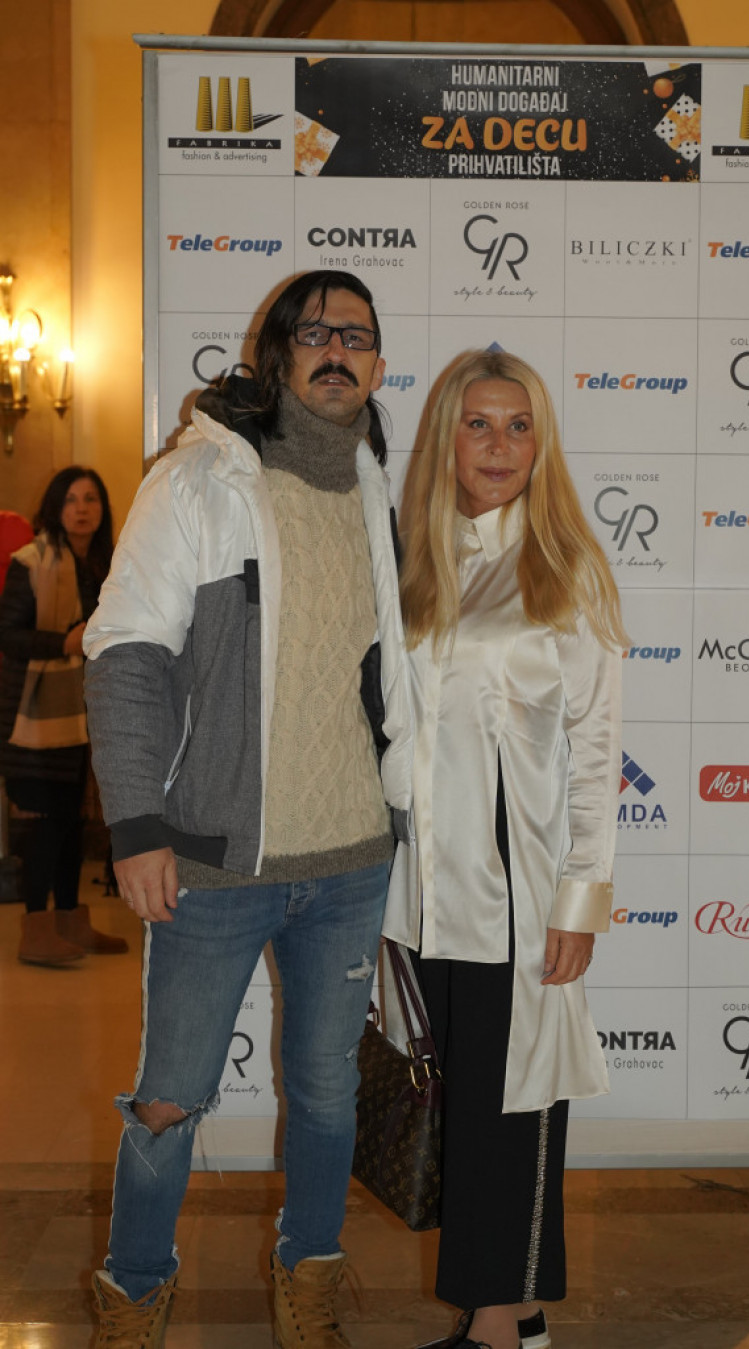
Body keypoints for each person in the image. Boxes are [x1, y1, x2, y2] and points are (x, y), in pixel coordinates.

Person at [82, 269, 413, 1348]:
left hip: (352, 859)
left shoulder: (375, 486)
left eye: (355, 335)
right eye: (313, 332)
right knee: (171, 1095)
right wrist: (137, 823)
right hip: (215, 861)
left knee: (326, 1093)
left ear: (377, 363)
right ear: (276, 354)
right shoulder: (201, 479)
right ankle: (135, 1287)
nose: (336, 350)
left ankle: (308, 1273)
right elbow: (126, 653)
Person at [383, 351, 626, 1349]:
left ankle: (496, 1324)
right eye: (477, 424)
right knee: (458, 1107)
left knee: (513, 1103)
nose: (498, 445)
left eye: (518, 425)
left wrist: (580, 899)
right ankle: (514, 1315)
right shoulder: (417, 564)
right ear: (447, 438)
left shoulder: (566, 566)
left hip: (517, 888)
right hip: (420, 891)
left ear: (542, 442)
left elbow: (597, 748)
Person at [0, 466, 125, 965]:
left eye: (91, 499)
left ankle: (72, 921)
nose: (81, 509)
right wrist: (64, 643)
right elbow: (8, 636)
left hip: (85, 712)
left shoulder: (107, 565)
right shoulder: (30, 562)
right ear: (55, 507)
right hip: (33, 718)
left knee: (74, 821)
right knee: (47, 822)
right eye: (71, 499)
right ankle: (36, 929)